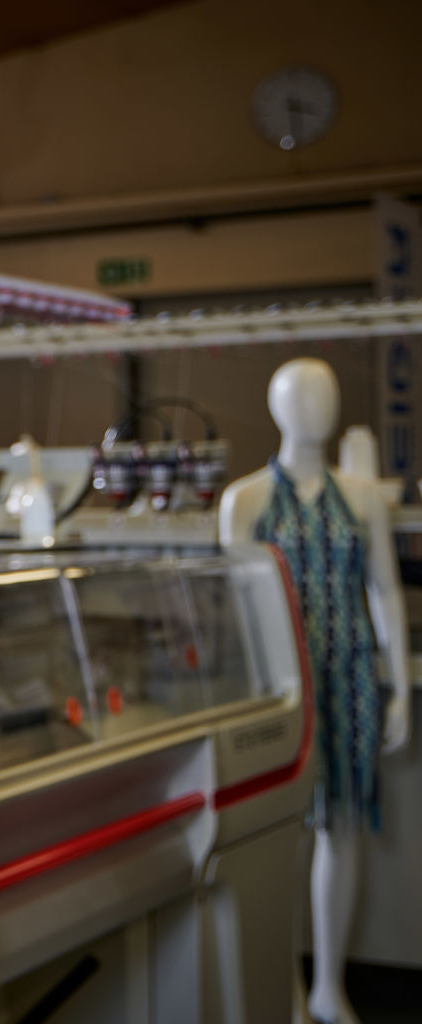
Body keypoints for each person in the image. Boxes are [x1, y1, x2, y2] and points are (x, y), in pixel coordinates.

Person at [219, 357, 410, 1024]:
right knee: (283, 837)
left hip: (352, 673)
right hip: (282, 684)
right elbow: (234, 610)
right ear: (277, 408)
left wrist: (401, 687)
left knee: (343, 826)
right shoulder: (244, 502)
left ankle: (329, 986)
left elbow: (384, 590)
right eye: (303, 398)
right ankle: (288, 990)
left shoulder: (361, 499)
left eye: (324, 396)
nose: (316, 410)